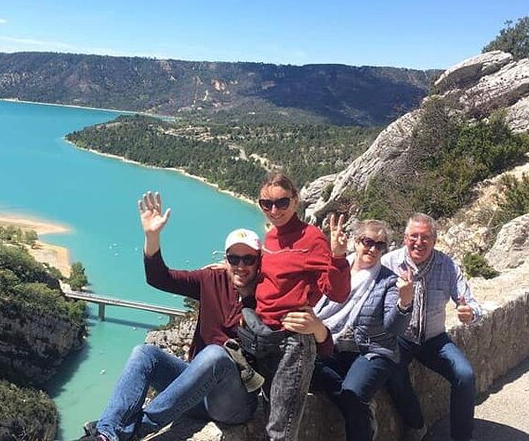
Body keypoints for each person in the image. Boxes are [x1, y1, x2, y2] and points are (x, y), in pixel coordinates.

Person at [77, 192, 261, 441]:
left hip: (233, 402)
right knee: (145, 354)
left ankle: (135, 429)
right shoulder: (211, 279)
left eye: (248, 258)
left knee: (216, 354)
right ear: (225, 259)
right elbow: (159, 278)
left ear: (259, 261)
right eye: (234, 258)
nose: (241, 265)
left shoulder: (267, 294)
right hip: (195, 396)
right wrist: (152, 237)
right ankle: (106, 435)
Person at [282, 219, 413, 441]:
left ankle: (363, 424)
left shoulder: (389, 281)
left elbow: (395, 329)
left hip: (371, 350)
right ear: (356, 241)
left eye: (380, 245)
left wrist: (404, 302)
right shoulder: (334, 269)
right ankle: (364, 412)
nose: (372, 249)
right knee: (300, 369)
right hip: (330, 343)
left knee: (352, 395)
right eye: (368, 241)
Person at [246, 172, 351, 441]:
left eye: (282, 202)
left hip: (292, 343)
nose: (274, 210)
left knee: (281, 431)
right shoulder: (270, 238)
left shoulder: (311, 238)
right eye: (266, 204)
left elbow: (337, 292)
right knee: (272, 416)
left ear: (295, 201)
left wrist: (338, 256)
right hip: (265, 339)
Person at [381, 213, 482, 441]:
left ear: (434, 240)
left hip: (434, 340)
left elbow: (471, 303)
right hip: (401, 338)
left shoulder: (447, 266)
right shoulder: (389, 263)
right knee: (392, 371)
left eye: (425, 237)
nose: (419, 242)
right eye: (414, 236)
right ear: (405, 238)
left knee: (464, 376)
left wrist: (470, 313)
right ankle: (416, 425)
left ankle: (462, 436)